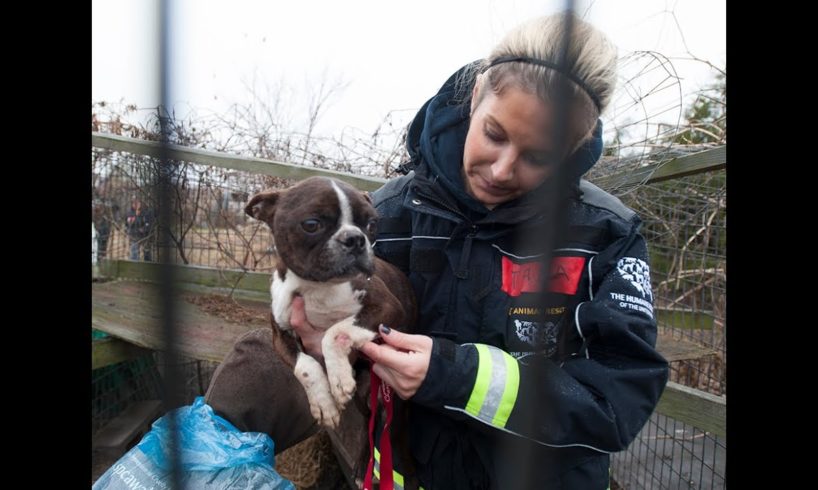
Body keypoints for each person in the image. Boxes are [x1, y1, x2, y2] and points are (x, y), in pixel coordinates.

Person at [205, 12, 668, 489]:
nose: (504, 169)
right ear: (475, 99)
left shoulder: (604, 234)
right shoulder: (387, 214)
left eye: (539, 156)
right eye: (494, 134)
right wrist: (216, 428)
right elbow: (302, 332)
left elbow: (617, 403)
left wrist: (457, 378)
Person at [125, 196, 154, 261]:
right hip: (134, 236)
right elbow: (126, 224)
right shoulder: (129, 212)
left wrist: (143, 229)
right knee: (134, 254)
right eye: (133, 202)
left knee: (147, 254)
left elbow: (149, 224)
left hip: (145, 236)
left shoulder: (146, 212)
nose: (135, 204)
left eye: (137, 202)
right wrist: (127, 230)